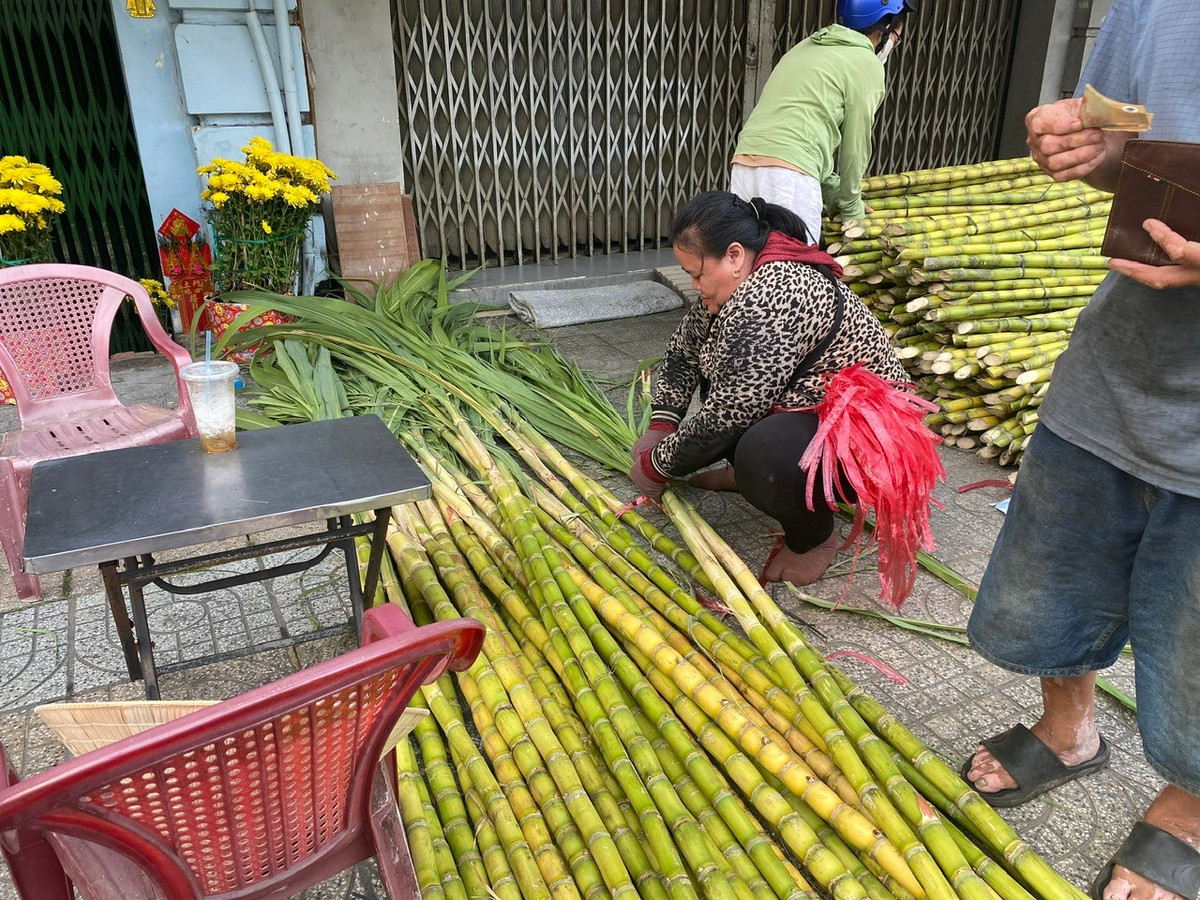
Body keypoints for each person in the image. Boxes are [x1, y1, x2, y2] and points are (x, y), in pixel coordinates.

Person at [961, 2, 1200, 897]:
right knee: (1050, 584)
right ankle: (1069, 731)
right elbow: (1130, 158)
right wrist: (1087, 152)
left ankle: (1188, 810)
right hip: (1113, 369)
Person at [627, 190, 910, 586]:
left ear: (734, 256)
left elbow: (729, 415)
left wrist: (655, 465)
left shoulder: (771, 294)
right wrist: (662, 423)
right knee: (728, 389)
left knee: (766, 454)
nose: (694, 285)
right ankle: (746, 475)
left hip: (866, 440)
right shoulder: (736, 283)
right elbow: (682, 353)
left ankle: (812, 537)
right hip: (804, 412)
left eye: (698, 274)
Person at [730, 0, 914, 232]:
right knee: (794, 255)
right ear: (884, 29)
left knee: (750, 251)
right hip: (789, 177)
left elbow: (802, 127)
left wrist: (831, 190)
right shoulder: (866, 63)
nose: (894, 45)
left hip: (744, 165)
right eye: (897, 38)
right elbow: (855, 146)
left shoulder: (807, 46)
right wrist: (851, 206)